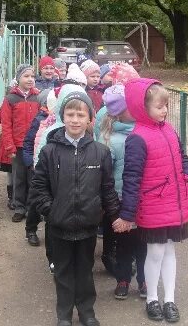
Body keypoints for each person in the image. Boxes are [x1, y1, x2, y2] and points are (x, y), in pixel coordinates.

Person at [30, 91, 120, 326]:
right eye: (70, 114)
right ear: (63, 116)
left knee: (84, 270)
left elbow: (107, 188)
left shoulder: (100, 152)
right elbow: (38, 186)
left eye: (81, 114)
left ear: (90, 118)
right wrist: (51, 211)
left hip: (88, 225)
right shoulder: (50, 151)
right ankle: (64, 315)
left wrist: (115, 216)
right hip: (58, 226)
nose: (75, 119)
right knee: (63, 272)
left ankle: (87, 312)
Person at [114, 78, 188, 323]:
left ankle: (169, 299)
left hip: (174, 203)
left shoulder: (169, 129)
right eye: (159, 106)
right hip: (154, 204)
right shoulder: (137, 138)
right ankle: (152, 298)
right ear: (143, 108)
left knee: (170, 250)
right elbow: (131, 177)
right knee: (156, 252)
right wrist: (128, 214)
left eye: (166, 106)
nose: (165, 110)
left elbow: (183, 157)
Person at [98, 84, 147, 300]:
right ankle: (123, 279)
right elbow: (105, 176)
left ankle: (145, 280)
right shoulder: (109, 139)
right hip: (120, 201)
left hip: (145, 199)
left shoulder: (144, 132)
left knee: (145, 244)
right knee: (124, 244)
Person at [0, 64, 41, 223]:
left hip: (33, 146)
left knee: (33, 177)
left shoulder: (37, 97)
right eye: (26, 76)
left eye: (32, 76)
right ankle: (19, 207)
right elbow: (6, 124)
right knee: (19, 177)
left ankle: (32, 208)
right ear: (18, 79)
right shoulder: (10, 98)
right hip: (17, 146)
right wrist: (10, 146)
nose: (30, 79)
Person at [20, 89, 52, 246]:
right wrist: (30, 163)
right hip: (37, 168)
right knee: (34, 201)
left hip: (54, 168)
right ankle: (31, 229)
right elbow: (28, 142)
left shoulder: (62, 121)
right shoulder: (39, 120)